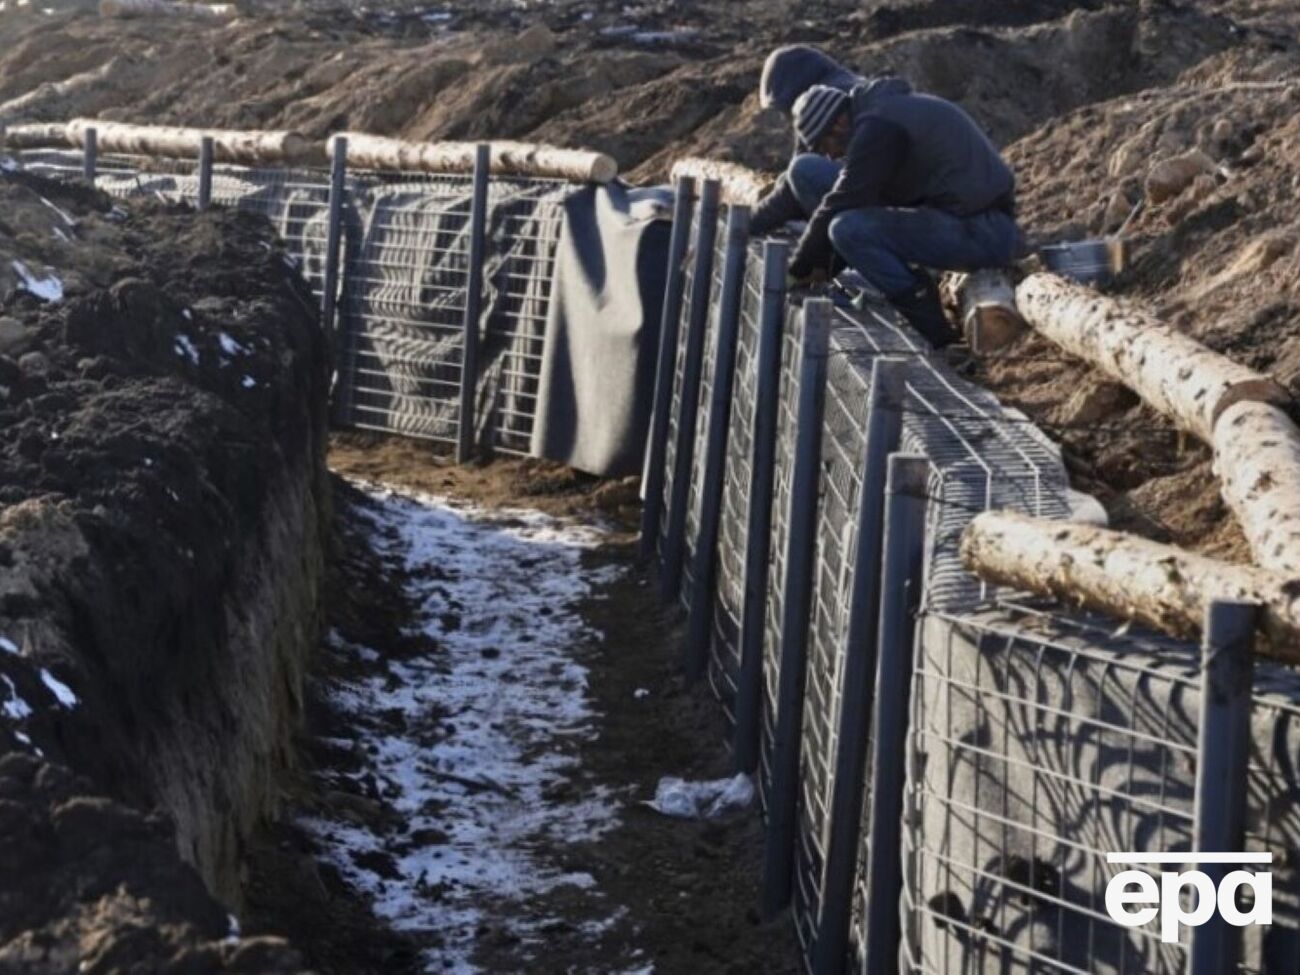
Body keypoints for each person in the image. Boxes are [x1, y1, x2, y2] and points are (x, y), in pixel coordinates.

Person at [752, 79, 1020, 348]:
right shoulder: (878, 114)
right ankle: (836, 269)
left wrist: (796, 271)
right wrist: (749, 225)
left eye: (825, 147)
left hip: (983, 231)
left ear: (837, 125)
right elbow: (798, 192)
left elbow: (843, 200)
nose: (831, 156)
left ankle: (936, 332)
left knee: (846, 229)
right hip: (960, 215)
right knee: (806, 170)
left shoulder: (878, 130)